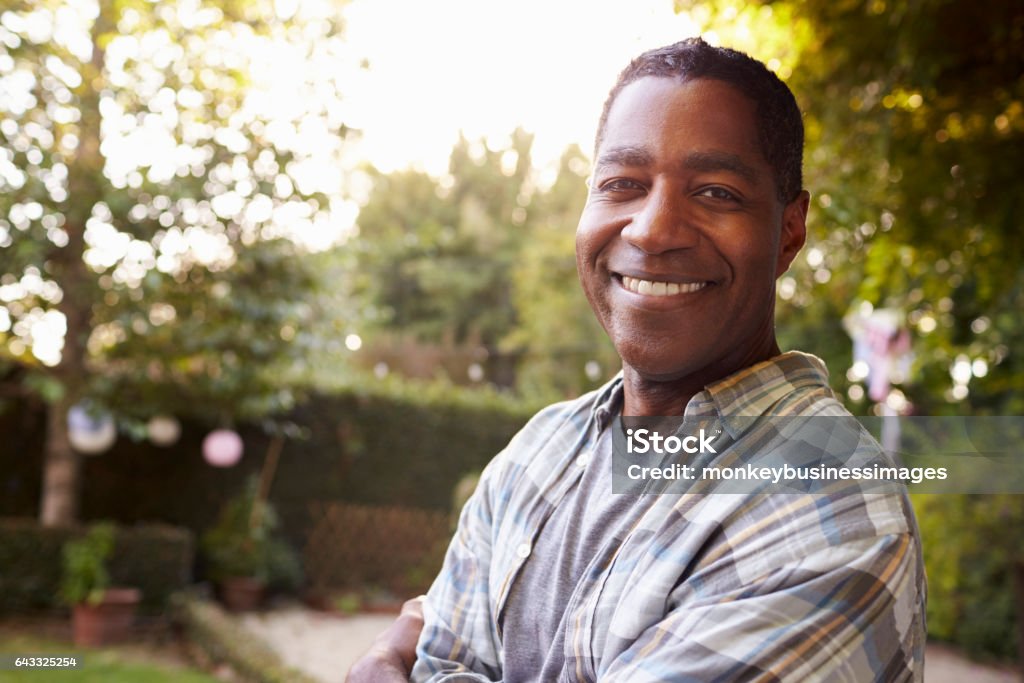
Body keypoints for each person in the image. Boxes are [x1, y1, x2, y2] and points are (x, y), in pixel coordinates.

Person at [348, 37, 926, 682]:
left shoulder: (832, 510)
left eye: (715, 192)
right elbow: (439, 654)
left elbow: (424, 666)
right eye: (622, 183)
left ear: (789, 230)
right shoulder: (538, 452)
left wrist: (391, 659)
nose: (651, 230)